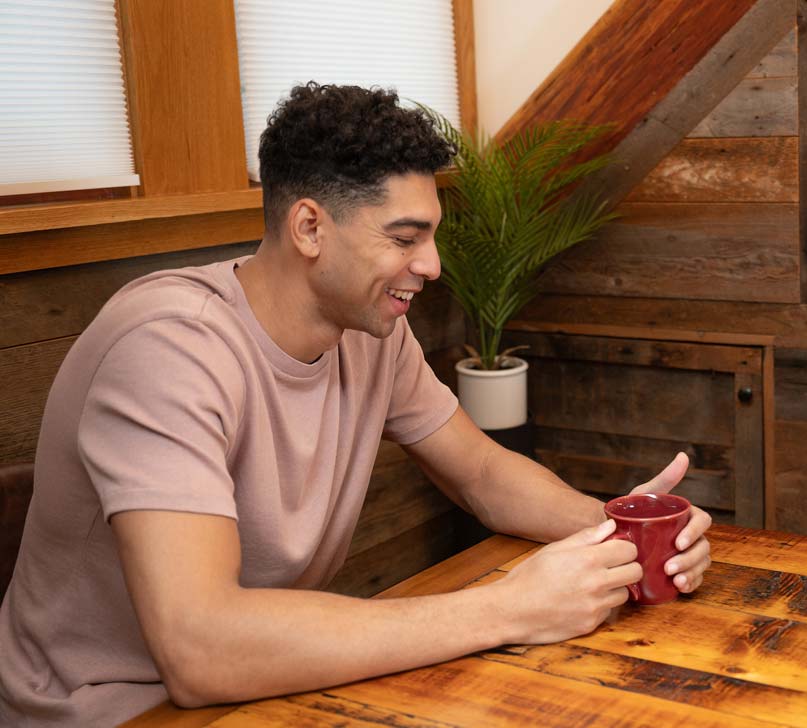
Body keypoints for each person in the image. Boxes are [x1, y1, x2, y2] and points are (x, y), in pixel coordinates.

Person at [0, 83, 712, 726]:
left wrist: (625, 535)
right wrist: (508, 609)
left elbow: (482, 474)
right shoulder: (168, 349)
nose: (432, 265)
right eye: (405, 239)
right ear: (310, 228)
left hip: (270, 687)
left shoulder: (371, 332)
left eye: (431, 236)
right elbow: (200, 650)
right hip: (110, 709)